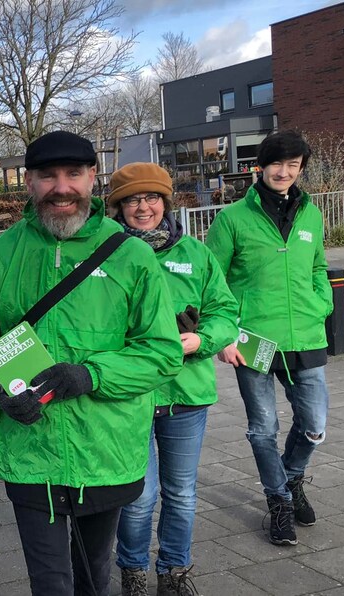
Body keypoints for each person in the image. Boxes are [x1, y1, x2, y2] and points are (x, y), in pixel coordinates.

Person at [0, 131, 184, 595]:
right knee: (50, 583)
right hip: (28, 450)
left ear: (93, 178)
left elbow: (162, 351)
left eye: (74, 174)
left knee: (94, 576)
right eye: (47, 176)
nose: (62, 187)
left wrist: (92, 374)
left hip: (106, 450)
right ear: (28, 183)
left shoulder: (131, 255)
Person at [106, 163, 238, 596]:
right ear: (118, 207)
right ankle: (133, 574)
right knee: (138, 497)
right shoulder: (106, 256)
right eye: (132, 200)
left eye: (151, 198)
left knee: (181, 493)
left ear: (166, 201)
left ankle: (174, 573)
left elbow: (225, 313)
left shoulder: (196, 255)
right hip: (131, 395)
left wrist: (199, 339)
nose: (142, 207)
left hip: (186, 394)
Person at [206, 131, 331, 547]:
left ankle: (291, 478)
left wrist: (321, 303)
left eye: (293, 165)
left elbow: (318, 268)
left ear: (300, 170)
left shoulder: (311, 215)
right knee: (263, 429)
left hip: (306, 335)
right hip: (252, 340)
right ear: (260, 166)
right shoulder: (232, 219)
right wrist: (224, 336)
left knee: (314, 425)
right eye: (277, 164)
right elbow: (212, 284)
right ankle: (279, 501)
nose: (284, 172)